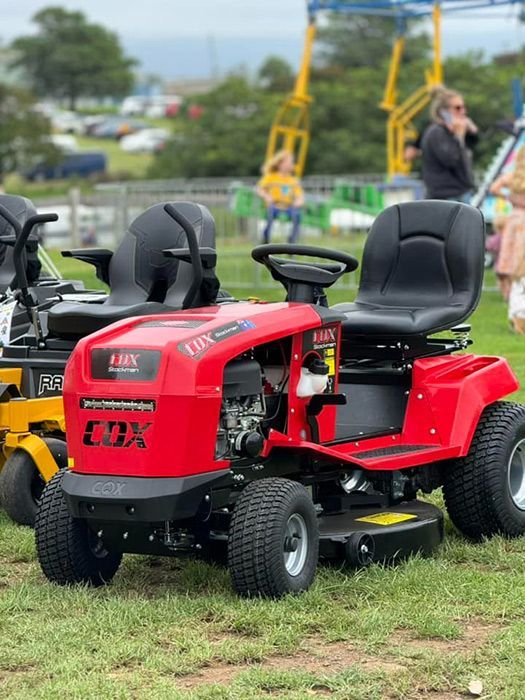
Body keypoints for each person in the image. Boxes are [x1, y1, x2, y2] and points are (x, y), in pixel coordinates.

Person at [420, 88, 479, 202]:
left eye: (463, 107)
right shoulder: (437, 132)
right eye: (457, 108)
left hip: (461, 192)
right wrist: (459, 136)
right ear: (443, 112)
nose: (463, 111)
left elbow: (474, 144)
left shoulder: (452, 131)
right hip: (446, 196)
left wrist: (472, 131)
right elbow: (450, 159)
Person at [490, 146, 525, 333]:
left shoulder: (512, 177)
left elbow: (493, 187)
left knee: (514, 270)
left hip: (514, 221)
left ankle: (515, 314)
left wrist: (509, 197)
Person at [256, 150, 304, 244]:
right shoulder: (270, 177)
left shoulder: (293, 180)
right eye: (289, 162)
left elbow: (299, 196)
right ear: (280, 164)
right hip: (273, 205)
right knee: (270, 215)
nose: (291, 164)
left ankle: (292, 240)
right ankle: (266, 238)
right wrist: (266, 196)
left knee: (297, 216)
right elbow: (260, 189)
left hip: (288, 206)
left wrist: (298, 202)